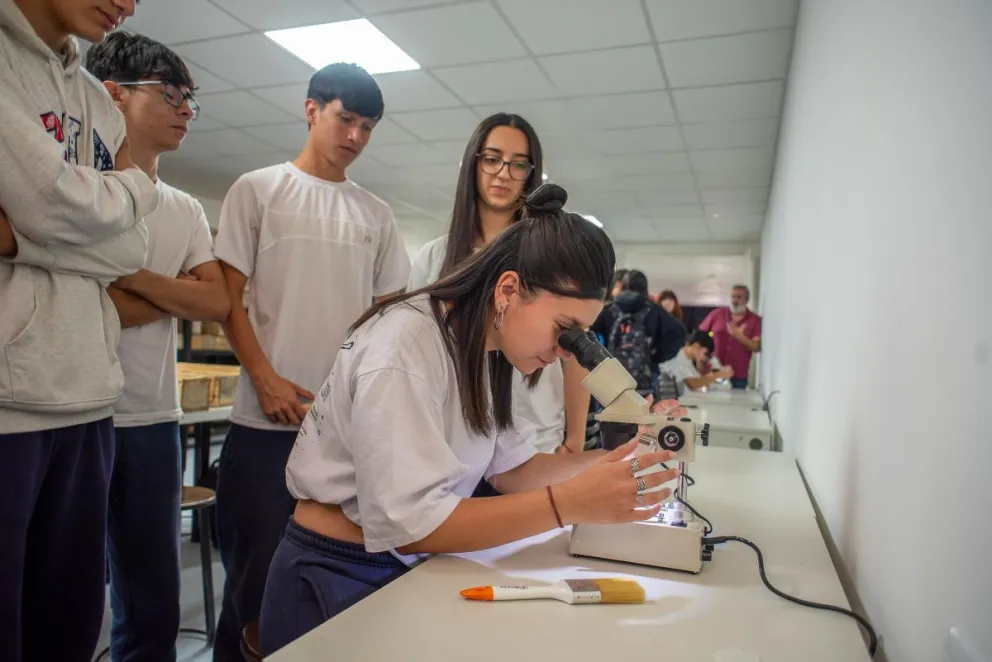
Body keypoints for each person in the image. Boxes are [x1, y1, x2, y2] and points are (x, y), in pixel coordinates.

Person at [257, 183, 683, 653]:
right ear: (508, 289)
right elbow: (413, 524)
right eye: (565, 331)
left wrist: (630, 456)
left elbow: (515, 472)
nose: (567, 352)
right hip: (336, 575)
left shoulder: (481, 351)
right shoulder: (406, 344)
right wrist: (569, 503)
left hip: (401, 566)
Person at [211, 62, 411, 662]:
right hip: (262, 424)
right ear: (311, 110)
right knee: (249, 591)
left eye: (367, 127)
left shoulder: (376, 214)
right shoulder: (258, 189)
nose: (354, 136)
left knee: (319, 591)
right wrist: (265, 379)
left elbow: (388, 319)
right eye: (345, 118)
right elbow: (228, 300)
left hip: (344, 435)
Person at [0, 1, 159, 660]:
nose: (126, 3)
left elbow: (131, 251)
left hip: (91, 398)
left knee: (68, 629)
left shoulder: (98, 99)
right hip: (8, 408)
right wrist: (117, 198)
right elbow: (54, 203)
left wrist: (19, 240)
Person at [85, 32, 231, 662]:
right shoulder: (76, 189)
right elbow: (81, 299)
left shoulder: (183, 207)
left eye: (190, 99)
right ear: (112, 95)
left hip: (152, 421)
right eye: (169, 93)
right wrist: (171, 294)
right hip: (76, 414)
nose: (185, 110)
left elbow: (216, 303)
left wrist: (127, 278)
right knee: (67, 597)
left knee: (153, 602)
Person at [408, 113, 589, 456]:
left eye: (518, 165)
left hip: (534, 439)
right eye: (492, 160)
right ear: (474, 164)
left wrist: (575, 441)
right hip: (452, 446)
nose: (504, 173)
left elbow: (576, 353)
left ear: (531, 174)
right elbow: (414, 354)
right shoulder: (434, 258)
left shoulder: (554, 258)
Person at [591, 269, 686, 397]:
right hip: (644, 379)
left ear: (624, 286)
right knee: (646, 412)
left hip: (613, 378)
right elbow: (679, 332)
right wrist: (656, 358)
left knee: (609, 413)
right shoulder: (653, 310)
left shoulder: (611, 309)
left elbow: (590, 330)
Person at [699, 284, 762, 389]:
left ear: (746, 300)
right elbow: (700, 336)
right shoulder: (717, 314)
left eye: (739, 297)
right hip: (714, 372)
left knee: (736, 404)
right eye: (733, 296)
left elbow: (756, 347)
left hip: (738, 376)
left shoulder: (755, 320)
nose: (735, 300)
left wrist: (740, 337)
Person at [658, 330, 734, 399]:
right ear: (696, 346)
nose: (704, 358)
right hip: (675, 403)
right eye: (705, 353)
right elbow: (693, 384)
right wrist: (717, 375)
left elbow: (698, 382)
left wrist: (704, 372)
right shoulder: (678, 358)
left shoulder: (688, 360)